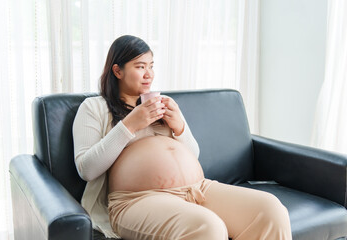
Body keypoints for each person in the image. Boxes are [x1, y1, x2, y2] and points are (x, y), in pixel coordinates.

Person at [72, 35, 292, 240]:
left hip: (198, 188)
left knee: (270, 209)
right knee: (208, 227)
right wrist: (130, 124)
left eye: (151, 66)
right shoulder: (94, 108)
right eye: (140, 67)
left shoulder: (162, 103)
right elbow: (87, 169)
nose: (149, 74)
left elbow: (193, 155)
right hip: (137, 199)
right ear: (117, 71)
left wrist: (179, 127)